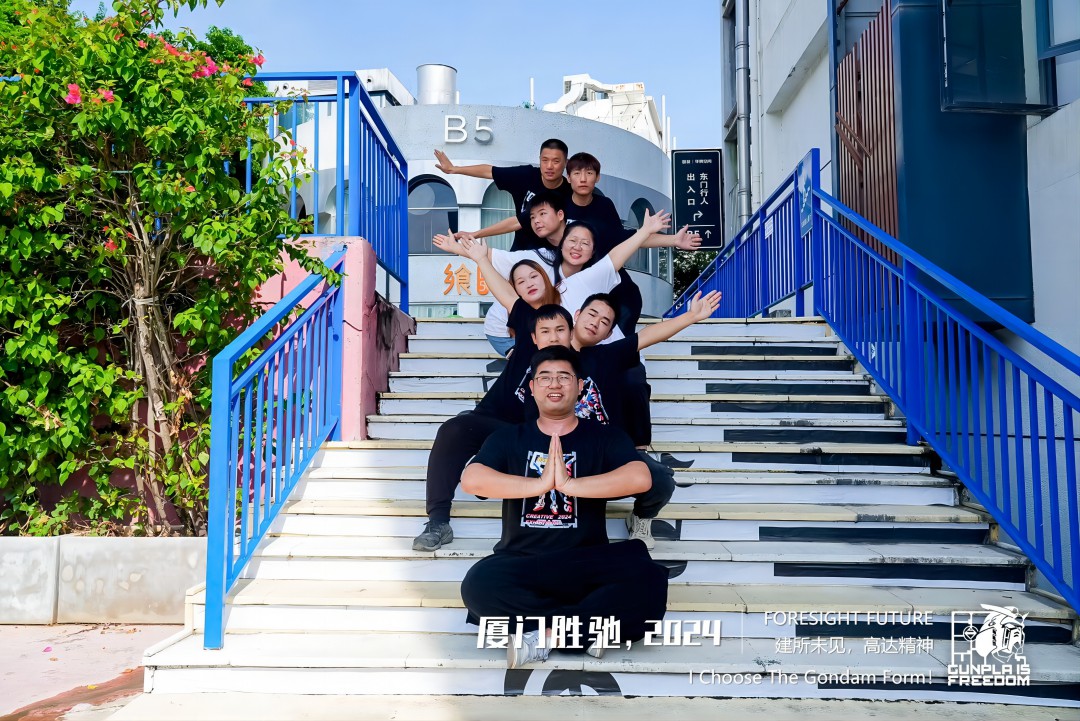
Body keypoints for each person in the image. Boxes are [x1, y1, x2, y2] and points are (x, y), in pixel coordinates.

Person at [459, 345, 669, 669]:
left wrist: (569, 485)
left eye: (563, 377)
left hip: (585, 561)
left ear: (580, 386)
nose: (554, 384)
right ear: (532, 387)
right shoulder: (508, 438)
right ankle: (587, 630)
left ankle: (542, 636)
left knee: (649, 580)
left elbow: (640, 477)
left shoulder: (605, 437)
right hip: (523, 560)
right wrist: (540, 485)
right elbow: (472, 479)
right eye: (545, 377)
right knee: (479, 584)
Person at [411, 303, 572, 552]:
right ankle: (438, 521)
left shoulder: (575, 368)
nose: (553, 337)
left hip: (528, 435)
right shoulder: (526, 349)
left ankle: (487, 470)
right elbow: (508, 291)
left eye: (560, 330)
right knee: (453, 429)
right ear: (533, 337)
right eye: (545, 331)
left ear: (571, 332)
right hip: (490, 420)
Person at [567, 289, 722, 547]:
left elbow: (647, 336)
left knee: (661, 480)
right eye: (592, 314)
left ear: (608, 334)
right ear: (577, 314)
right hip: (565, 450)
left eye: (605, 322)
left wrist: (690, 316)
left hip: (607, 450)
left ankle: (640, 517)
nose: (595, 322)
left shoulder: (607, 356)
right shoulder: (548, 357)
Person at [433, 139, 572, 251]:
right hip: (522, 249)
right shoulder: (527, 175)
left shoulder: (570, 193)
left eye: (556, 161)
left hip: (556, 254)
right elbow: (489, 171)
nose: (549, 166)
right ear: (539, 159)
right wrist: (454, 169)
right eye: (545, 160)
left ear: (565, 163)